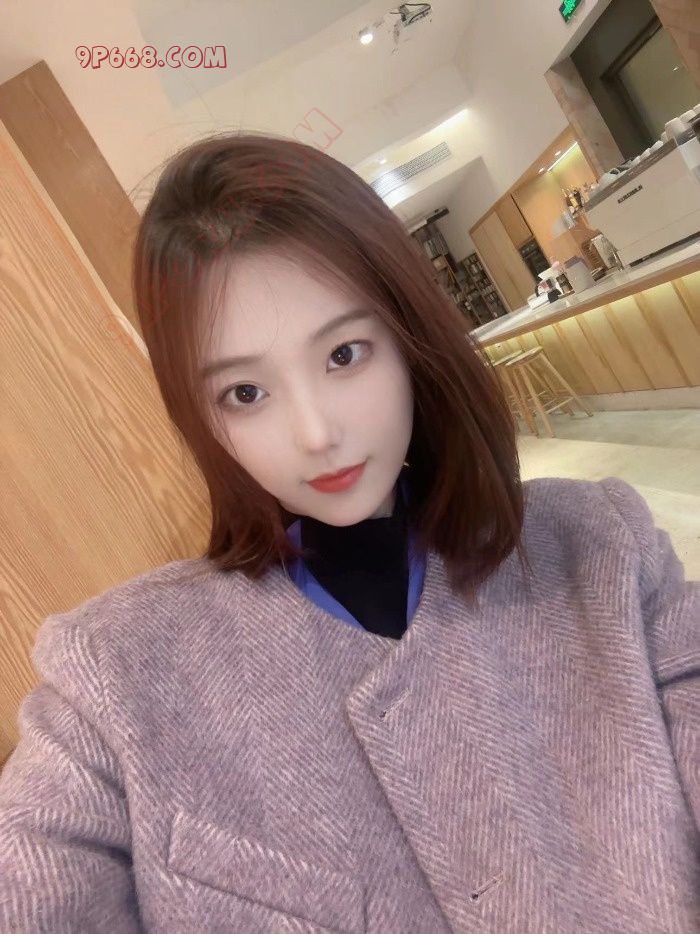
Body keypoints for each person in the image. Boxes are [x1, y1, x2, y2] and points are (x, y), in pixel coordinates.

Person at [0, 131, 697, 933]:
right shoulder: (115, 673)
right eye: (245, 393)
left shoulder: (600, 548)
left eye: (344, 354)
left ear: (408, 339)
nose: (315, 433)